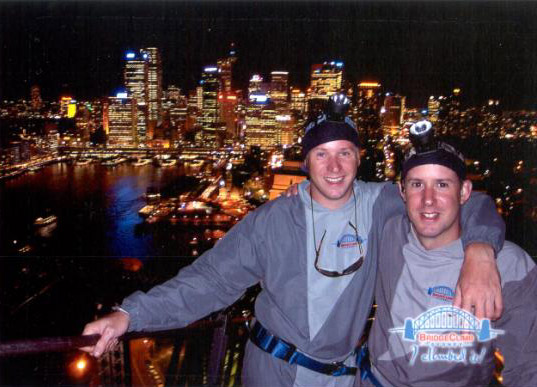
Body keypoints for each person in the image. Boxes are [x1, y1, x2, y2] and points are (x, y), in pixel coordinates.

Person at [82, 96, 505, 386]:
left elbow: (459, 199)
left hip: (342, 376)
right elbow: (208, 282)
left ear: (360, 158)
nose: (334, 166)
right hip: (274, 373)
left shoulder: (382, 204)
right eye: (322, 154)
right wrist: (129, 315)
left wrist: (481, 250)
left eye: (345, 152)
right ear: (305, 162)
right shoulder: (271, 220)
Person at [356, 120, 537, 387]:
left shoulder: (510, 266)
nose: (428, 199)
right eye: (417, 184)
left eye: (442, 185)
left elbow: (527, 367)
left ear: (464, 191)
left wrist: (481, 250)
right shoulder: (388, 232)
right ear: (402, 192)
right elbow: (335, 193)